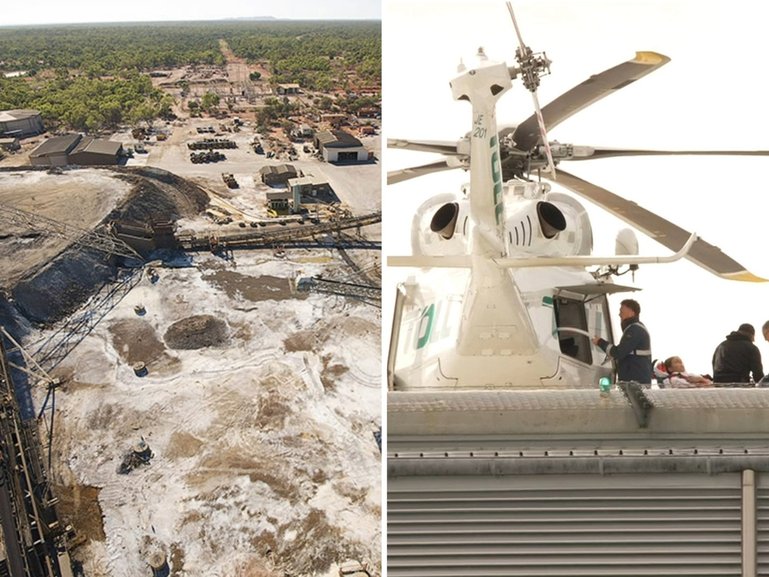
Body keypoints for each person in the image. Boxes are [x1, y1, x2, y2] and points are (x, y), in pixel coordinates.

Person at [592, 299, 652, 384]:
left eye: (621, 311)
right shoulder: (636, 328)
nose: (619, 314)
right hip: (634, 379)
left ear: (631, 312)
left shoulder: (634, 330)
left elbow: (619, 352)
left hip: (635, 381)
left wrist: (600, 342)